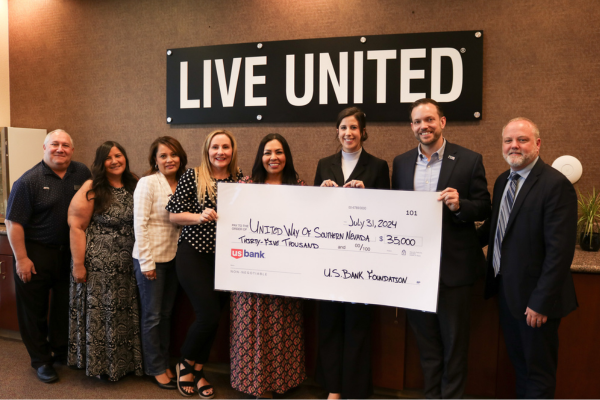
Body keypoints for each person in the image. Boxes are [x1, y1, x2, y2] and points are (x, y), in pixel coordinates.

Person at [391, 98, 491, 398]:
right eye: (418, 121)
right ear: (412, 126)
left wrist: (461, 205)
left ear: (442, 122)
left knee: (454, 347)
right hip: (416, 270)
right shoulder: (402, 162)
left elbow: (484, 206)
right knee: (428, 346)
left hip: (454, 271)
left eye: (430, 120)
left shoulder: (469, 159)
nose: (424, 126)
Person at [479, 118, 578, 398]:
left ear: (537, 144)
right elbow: (492, 230)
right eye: (508, 140)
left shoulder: (555, 185)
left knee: (538, 374)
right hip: (508, 295)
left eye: (522, 139)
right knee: (521, 368)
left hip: (536, 304)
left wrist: (540, 302)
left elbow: (560, 253)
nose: (514, 146)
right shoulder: (502, 181)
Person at [314, 107, 390, 399]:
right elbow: (315, 212)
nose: (348, 133)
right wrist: (320, 191)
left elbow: (387, 212)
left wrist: (366, 192)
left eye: (354, 128)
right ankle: (334, 388)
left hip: (363, 259)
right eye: (343, 127)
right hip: (331, 258)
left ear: (363, 132)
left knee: (358, 326)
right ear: (337, 131)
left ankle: (354, 390)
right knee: (330, 323)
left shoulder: (378, 166)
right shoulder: (324, 164)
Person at [5, 129, 91, 383]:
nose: (60, 149)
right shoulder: (27, 181)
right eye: (55, 144)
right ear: (44, 147)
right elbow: (13, 224)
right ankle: (41, 361)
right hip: (35, 253)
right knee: (34, 311)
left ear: (72, 150)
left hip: (68, 253)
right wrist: (21, 259)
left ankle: (60, 350)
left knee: (65, 307)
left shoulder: (82, 172)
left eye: (65, 145)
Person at [167, 129, 243, 399]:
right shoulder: (193, 176)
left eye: (225, 147)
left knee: (215, 318)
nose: (220, 152)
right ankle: (185, 364)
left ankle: (198, 371)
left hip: (228, 259)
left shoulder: (241, 180)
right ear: (207, 150)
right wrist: (199, 216)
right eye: (215, 147)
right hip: (194, 255)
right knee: (207, 315)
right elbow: (174, 215)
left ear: (232, 150)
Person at [230, 133, 307, 398]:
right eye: (267, 153)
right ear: (260, 157)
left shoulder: (299, 187)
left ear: (287, 156)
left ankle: (282, 382)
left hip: (285, 273)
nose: (273, 158)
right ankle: (256, 384)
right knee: (251, 324)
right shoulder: (245, 186)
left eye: (279, 152)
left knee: (282, 324)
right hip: (250, 271)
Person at [67, 141, 143, 381]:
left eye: (118, 155)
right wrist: (79, 265)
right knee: (101, 314)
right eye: (108, 158)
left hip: (127, 263)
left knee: (123, 312)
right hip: (98, 263)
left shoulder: (134, 183)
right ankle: (100, 366)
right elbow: (77, 226)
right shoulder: (93, 187)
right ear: (101, 163)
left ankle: (125, 364)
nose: (114, 161)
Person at [132, 137, 188, 389]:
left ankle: (164, 361)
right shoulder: (147, 183)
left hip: (175, 257)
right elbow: (140, 224)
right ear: (154, 159)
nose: (169, 159)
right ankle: (155, 367)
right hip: (151, 258)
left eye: (173, 154)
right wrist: (146, 262)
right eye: (163, 155)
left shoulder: (186, 181)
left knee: (166, 315)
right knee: (153, 316)